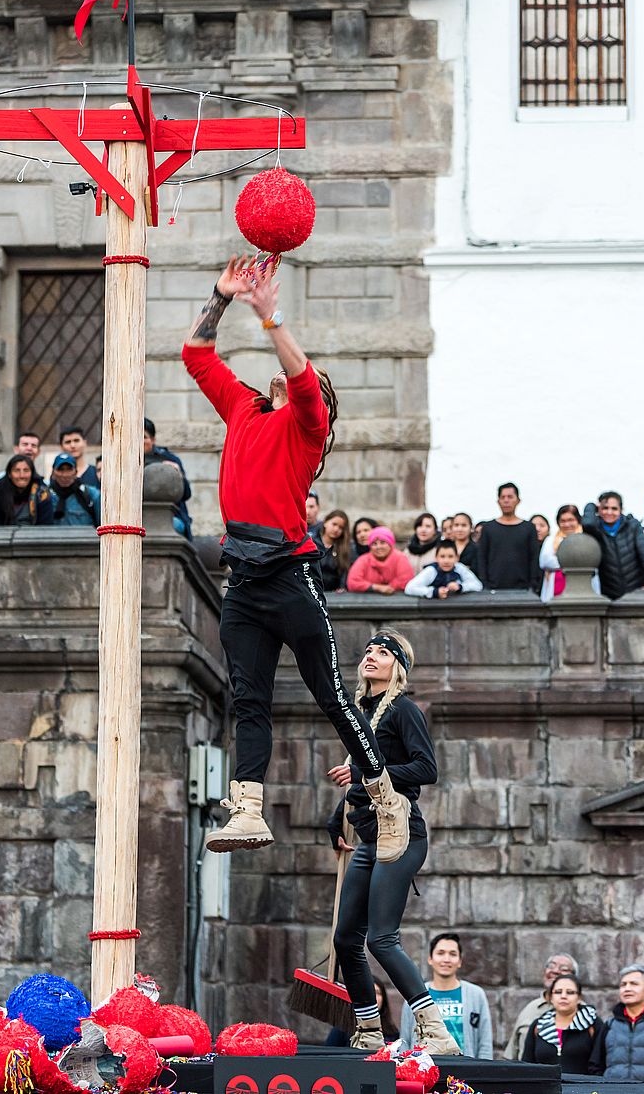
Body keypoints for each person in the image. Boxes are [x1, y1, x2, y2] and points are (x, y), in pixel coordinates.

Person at [183, 255, 409, 860]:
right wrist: (222, 296)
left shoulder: (307, 427)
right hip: (244, 580)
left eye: (298, 380)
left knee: (332, 694)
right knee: (246, 698)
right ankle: (247, 810)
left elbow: (305, 379)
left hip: (290, 576)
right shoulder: (244, 409)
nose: (284, 378)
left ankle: (385, 800)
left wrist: (269, 316)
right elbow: (197, 356)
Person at [326, 630, 459, 1056]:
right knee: (346, 938)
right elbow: (361, 781)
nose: (371, 656)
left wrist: (371, 772)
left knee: (381, 938)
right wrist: (338, 820)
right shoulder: (360, 712)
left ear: (397, 666)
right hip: (368, 837)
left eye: (382, 653)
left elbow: (425, 768)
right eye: (367, 650)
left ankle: (434, 1030)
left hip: (402, 836)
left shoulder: (403, 710)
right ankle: (368, 1029)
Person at [399, 932, 492, 1059]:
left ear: (460, 961)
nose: (446, 959)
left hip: (466, 1071)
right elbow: (405, 1041)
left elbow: (485, 1044)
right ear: (430, 959)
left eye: (452, 954)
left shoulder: (476, 995)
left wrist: (482, 1073)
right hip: (424, 1071)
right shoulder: (414, 995)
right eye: (440, 953)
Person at [589, 965, 644, 1081]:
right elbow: (595, 1065)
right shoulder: (609, 1025)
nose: (627, 988)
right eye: (623, 984)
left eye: (634, 984)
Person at [582, 491, 644, 598]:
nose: (609, 512)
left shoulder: (632, 526)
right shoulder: (597, 529)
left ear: (621, 510)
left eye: (614, 508)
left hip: (637, 589)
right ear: (599, 509)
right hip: (610, 591)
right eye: (605, 508)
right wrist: (591, 505)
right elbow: (587, 523)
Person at [504, 953, 580, 1059]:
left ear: (574, 978)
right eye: (551, 966)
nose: (555, 971)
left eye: (564, 968)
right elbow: (511, 1055)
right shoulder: (530, 1009)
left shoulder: (585, 1015)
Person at [522, 974, 597, 1073]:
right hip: (544, 1087)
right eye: (558, 992)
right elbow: (527, 1065)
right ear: (551, 997)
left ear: (579, 998)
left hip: (583, 1087)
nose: (563, 996)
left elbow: (598, 1066)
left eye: (570, 992)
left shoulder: (592, 1024)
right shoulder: (538, 1026)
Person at [476, 483, 540, 592]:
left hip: (522, 588)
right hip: (493, 588)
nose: (506, 500)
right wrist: (484, 583)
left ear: (518, 500)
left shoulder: (528, 528)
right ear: (498, 501)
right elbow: (482, 557)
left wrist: (532, 584)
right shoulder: (488, 528)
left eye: (510, 497)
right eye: (503, 497)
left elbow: (534, 558)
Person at [144, 417, 192, 539]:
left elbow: (186, 494)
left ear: (153, 440)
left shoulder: (169, 459)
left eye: (144, 437)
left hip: (170, 516)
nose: (139, 441)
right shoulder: (126, 461)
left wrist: (178, 474)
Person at [539, 504, 600, 601]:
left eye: (571, 520)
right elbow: (545, 561)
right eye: (563, 521)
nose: (567, 524)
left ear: (578, 520)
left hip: (585, 587)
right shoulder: (551, 540)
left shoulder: (586, 539)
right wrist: (576, 561)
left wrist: (561, 561)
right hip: (556, 587)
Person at [325, 976, 399, 1047]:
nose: (373, 997)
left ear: (384, 999)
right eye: (369, 992)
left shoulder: (392, 1032)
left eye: (377, 992)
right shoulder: (343, 1027)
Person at [0, 455, 54, 526]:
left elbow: (45, 524)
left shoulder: (41, 492)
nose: (22, 476)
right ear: (9, 474)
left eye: (26, 470)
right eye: (16, 471)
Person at [404, 540, 483, 599]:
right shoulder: (431, 570)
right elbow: (410, 588)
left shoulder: (460, 568)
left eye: (450, 556)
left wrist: (460, 587)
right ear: (436, 558)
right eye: (442, 556)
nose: (446, 561)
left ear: (457, 558)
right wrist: (434, 592)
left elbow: (477, 585)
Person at [347, 526, 415, 594]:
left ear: (390, 544)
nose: (378, 547)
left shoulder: (400, 558)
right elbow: (352, 582)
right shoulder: (363, 560)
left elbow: (406, 579)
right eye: (374, 544)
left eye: (382, 542)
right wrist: (376, 587)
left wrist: (389, 587)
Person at [49, 453, 101, 527]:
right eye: (60, 469)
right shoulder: (45, 496)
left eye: (69, 469)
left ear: (76, 472)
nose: (65, 474)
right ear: (53, 472)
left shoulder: (91, 495)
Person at [311, 509, 350, 592]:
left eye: (341, 527)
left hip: (334, 594)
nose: (336, 529)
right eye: (334, 524)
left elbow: (344, 571)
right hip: (313, 591)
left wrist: (342, 587)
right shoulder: (312, 543)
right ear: (325, 522)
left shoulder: (343, 548)